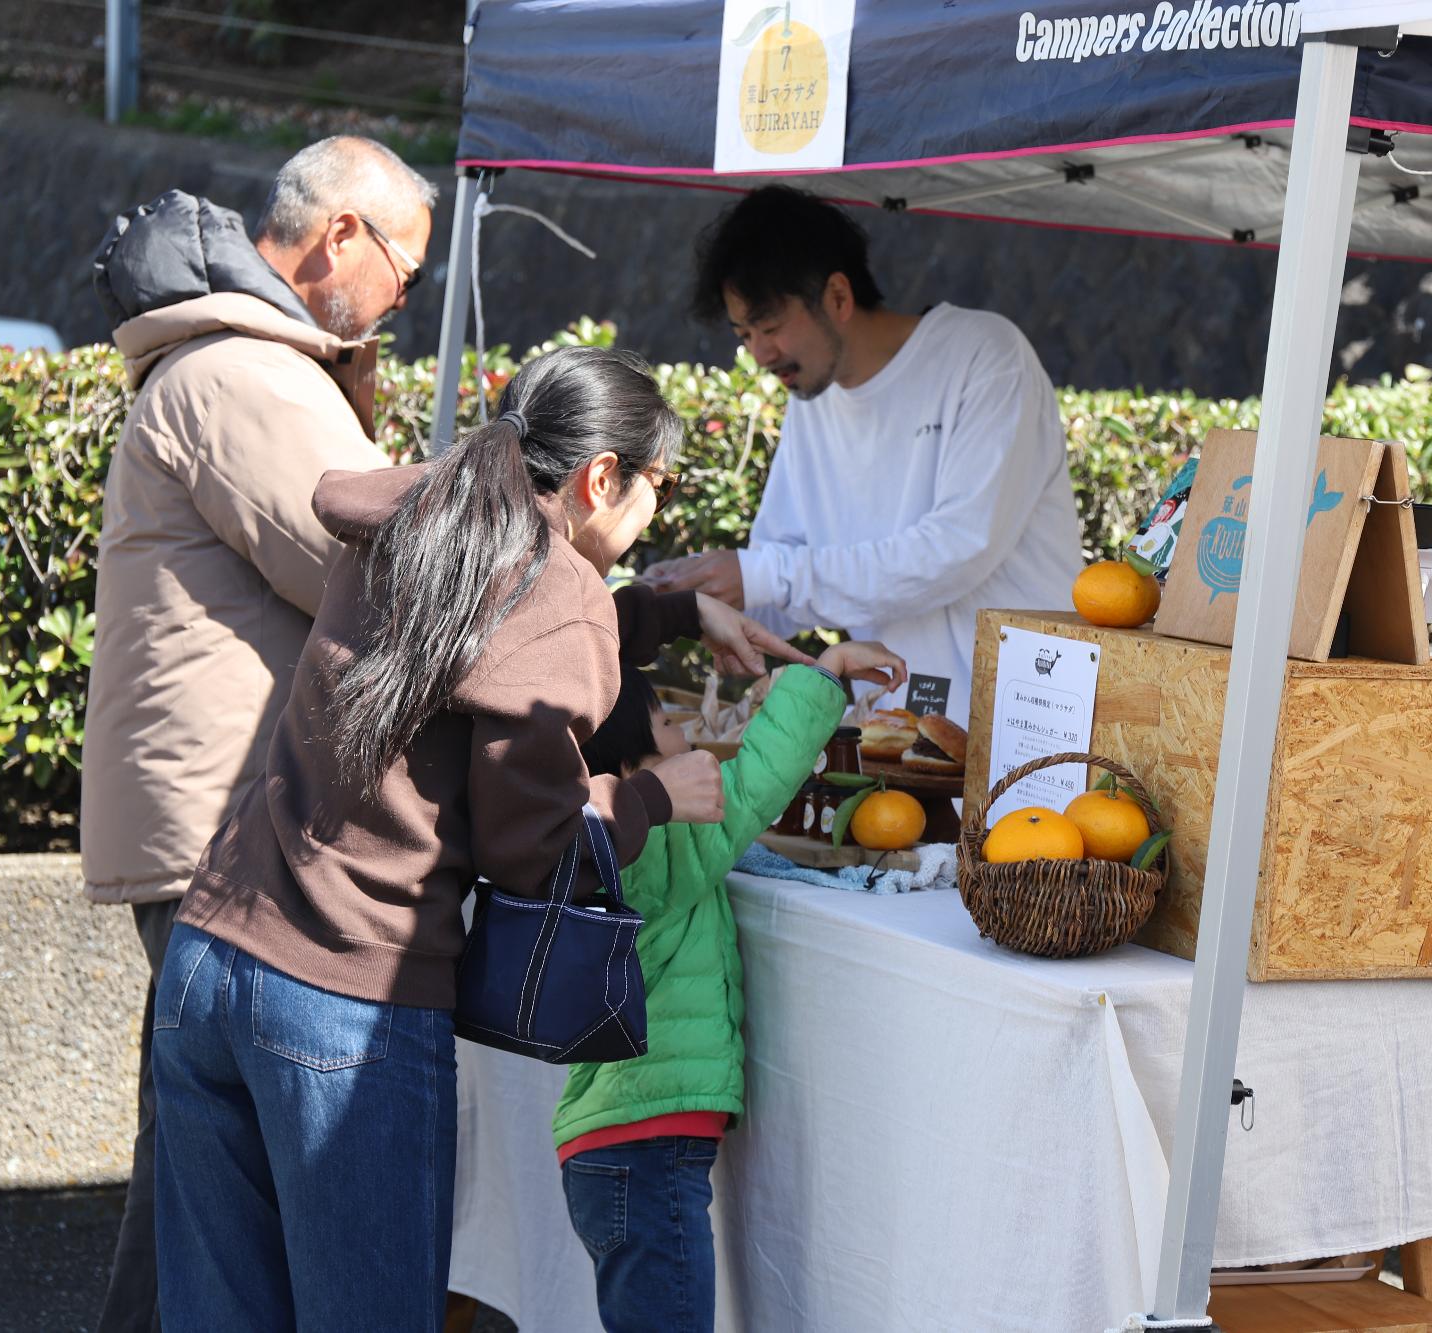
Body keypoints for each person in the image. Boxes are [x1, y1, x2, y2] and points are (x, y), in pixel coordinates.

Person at [150, 346, 808, 1331]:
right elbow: (533, 848)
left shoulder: (419, 515)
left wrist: (667, 610)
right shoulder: (558, 591)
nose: (649, 521)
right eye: (654, 490)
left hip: (211, 953)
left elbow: (478, 642)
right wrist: (652, 798)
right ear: (599, 477)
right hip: (345, 996)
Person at [81, 134, 435, 1333]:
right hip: (233, 833)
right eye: (407, 270)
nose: (404, 299)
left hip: (213, 822)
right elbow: (374, 574)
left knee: (195, 1189)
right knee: (218, 1202)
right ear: (341, 235)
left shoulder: (244, 363)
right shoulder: (245, 374)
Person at [553, 639, 907, 1332]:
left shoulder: (606, 846)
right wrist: (822, 674)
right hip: (644, 1154)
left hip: (620, 1151)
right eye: (667, 727)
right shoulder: (654, 845)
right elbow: (752, 785)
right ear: (630, 767)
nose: (687, 734)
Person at [641, 185, 1085, 723]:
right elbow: (782, 566)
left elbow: (957, 550)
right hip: (898, 726)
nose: (759, 353)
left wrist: (759, 578)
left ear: (838, 297)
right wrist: (698, 598)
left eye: (772, 326)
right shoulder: (811, 397)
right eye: (744, 333)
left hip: (1027, 716)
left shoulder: (984, 356)